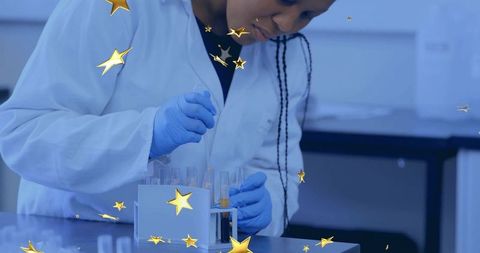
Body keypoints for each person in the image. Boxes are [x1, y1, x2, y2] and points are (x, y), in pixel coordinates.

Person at [0, 0, 335, 237]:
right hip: (80, 236)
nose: (288, 24)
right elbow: (23, 132)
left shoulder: (284, 54)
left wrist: (269, 207)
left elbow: (276, 167)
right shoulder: (120, 6)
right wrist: (147, 133)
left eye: (308, 14)